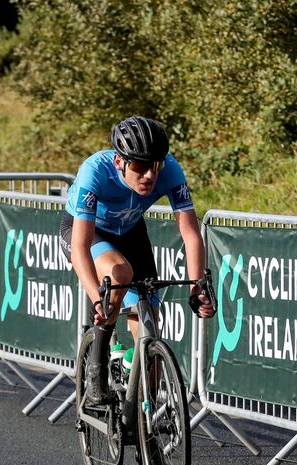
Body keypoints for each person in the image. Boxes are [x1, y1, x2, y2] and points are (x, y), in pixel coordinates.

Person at [60, 116, 214, 405]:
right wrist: (98, 299)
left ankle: (145, 416)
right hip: (86, 231)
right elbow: (80, 247)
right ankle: (98, 361)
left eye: (154, 165)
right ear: (120, 162)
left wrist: (198, 288)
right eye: (139, 166)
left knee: (150, 327)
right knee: (119, 271)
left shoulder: (170, 170)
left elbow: (191, 234)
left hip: (130, 232)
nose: (148, 175)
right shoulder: (95, 171)